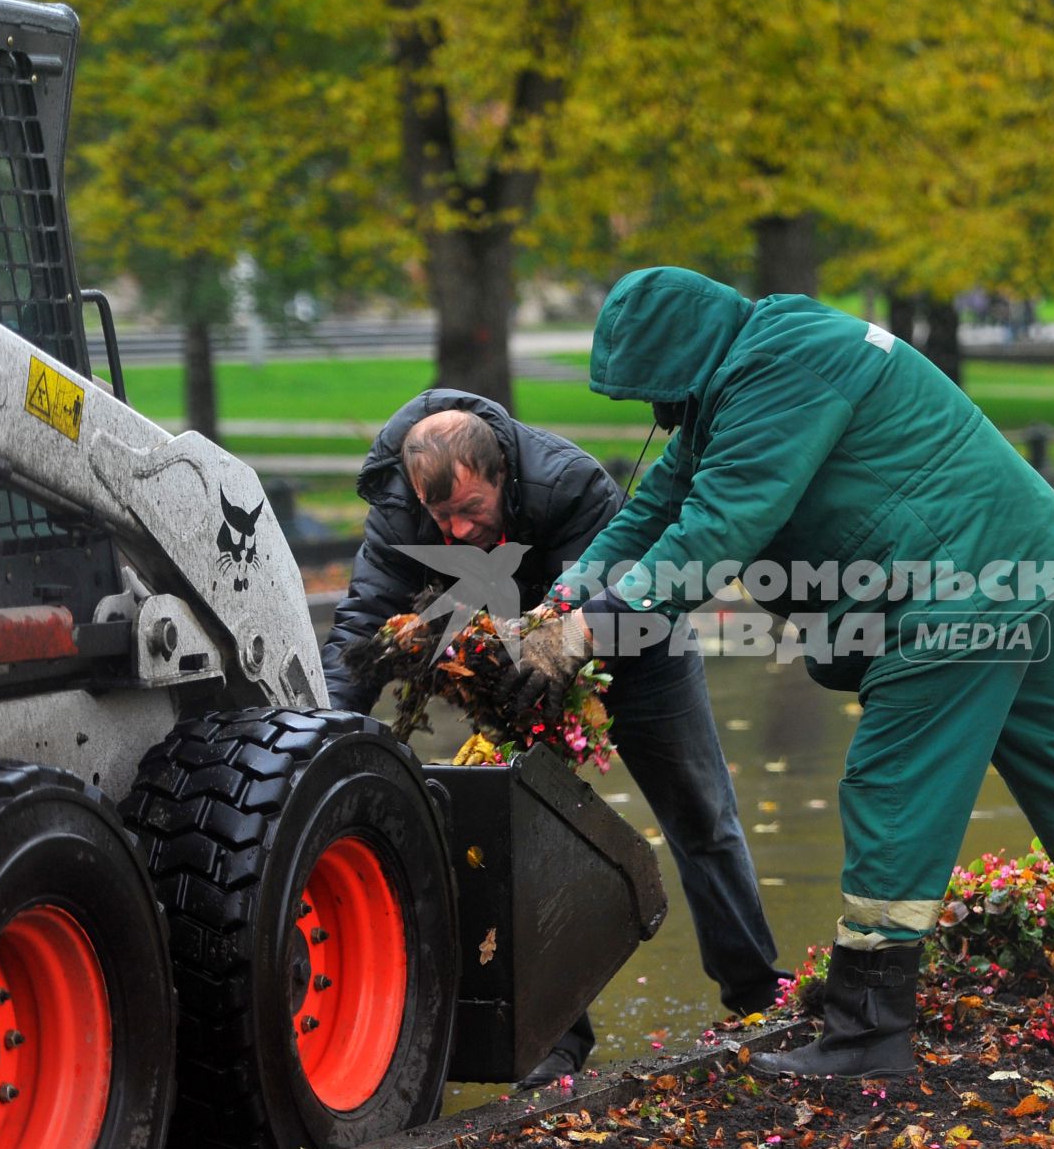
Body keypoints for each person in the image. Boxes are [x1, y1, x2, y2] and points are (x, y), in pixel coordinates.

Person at [499, 267, 1054, 1079]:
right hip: (1015, 560)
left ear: (684, 359)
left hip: (956, 589)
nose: (657, 415)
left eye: (658, 392)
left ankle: (868, 1033)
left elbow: (717, 528)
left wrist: (592, 630)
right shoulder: (751, 362)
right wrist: (557, 606)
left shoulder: (779, 373)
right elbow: (654, 508)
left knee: (892, 785)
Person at [321, 390, 787, 1089]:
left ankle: (754, 991)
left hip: (633, 639)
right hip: (513, 665)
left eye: (471, 513)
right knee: (516, 833)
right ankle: (556, 1039)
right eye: (438, 518)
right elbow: (364, 618)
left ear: (503, 474)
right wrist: (328, 724)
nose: (453, 535)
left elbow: (607, 590)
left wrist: (561, 648)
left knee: (702, 813)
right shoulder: (398, 508)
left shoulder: (567, 482)